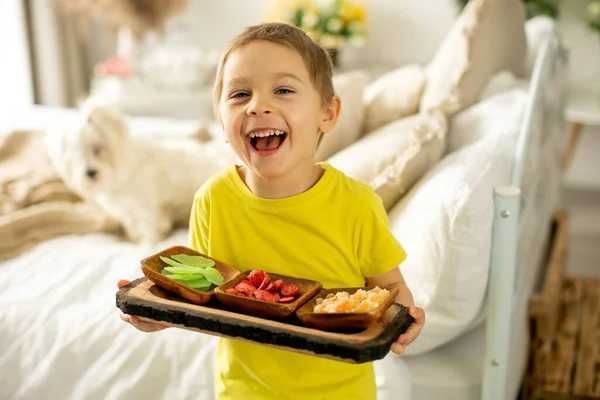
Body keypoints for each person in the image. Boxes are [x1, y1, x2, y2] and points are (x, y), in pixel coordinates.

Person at [118, 22, 425, 400]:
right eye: (240, 93)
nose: (258, 105)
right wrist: (153, 314)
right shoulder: (212, 201)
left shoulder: (357, 204)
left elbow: (391, 289)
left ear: (327, 113)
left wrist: (406, 320)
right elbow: (200, 298)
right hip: (241, 391)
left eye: (283, 90)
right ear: (220, 119)